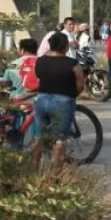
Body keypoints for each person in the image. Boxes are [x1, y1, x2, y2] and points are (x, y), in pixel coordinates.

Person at [33, 31, 85, 169]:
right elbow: (80, 84)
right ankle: (55, 176)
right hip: (63, 101)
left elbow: (38, 78)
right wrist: (71, 95)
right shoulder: (72, 64)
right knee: (59, 140)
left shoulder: (40, 61)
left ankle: (34, 169)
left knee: (40, 137)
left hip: (41, 100)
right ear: (65, 47)